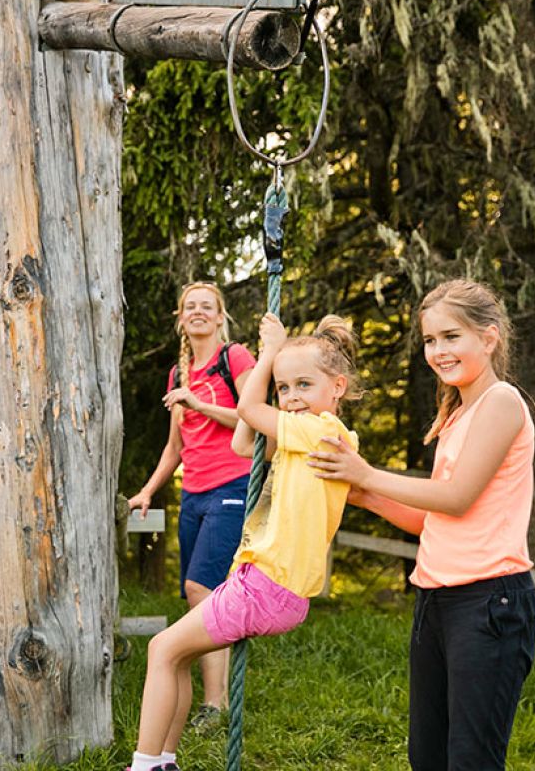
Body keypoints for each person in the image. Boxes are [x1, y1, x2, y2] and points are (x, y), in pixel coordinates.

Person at [308, 278, 535, 771]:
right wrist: (362, 493)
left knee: (470, 760)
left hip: (489, 604)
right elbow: (430, 520)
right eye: (431, 340)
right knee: (427, 757)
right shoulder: (457, 413)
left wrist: (368, 472)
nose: (438, 351)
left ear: (490, 337)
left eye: (451, 336)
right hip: (436, 600)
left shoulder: (501, 402)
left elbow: (456, 499)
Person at [125, 312, 360, 771]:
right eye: (284, 388)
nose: (291, 398)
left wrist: (269, 354)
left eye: (304, 386)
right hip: (269, 584)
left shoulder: (320, 430)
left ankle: (145, 765)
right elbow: (241, 443)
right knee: (176, 655)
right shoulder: (310, 435)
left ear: (337, 387)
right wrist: (265, 388)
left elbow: (250, 411)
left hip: (268, 584)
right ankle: (163, 760)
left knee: (161, 649)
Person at [128, 282, 255, 728]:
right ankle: (201, 692)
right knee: (196, 597)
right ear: (181, 320)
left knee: (203, 589)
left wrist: (197, 401)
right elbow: (175, 448)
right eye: (190, 307)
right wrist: (148, 490)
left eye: (208, 307)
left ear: (221, 317)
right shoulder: (177, 375)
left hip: (233, 485)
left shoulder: (234, 358)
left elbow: (255, 417)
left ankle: (216, 704)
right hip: (194, 494)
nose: (198, 312)